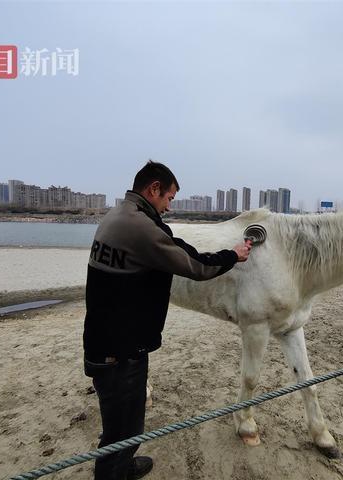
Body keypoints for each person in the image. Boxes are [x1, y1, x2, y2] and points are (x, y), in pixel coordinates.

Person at [83, 161, 251, 480]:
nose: (169, 206)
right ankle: (112, 474)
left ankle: (125, 465)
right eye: (169, 198)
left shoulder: (120, 215)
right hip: (119, 349)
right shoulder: (140, 227)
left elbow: (172, 243)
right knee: (122, 427)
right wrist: (233, 255)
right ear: (154, 189)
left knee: (125, 420)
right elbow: (194, 266)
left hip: (107, 338)